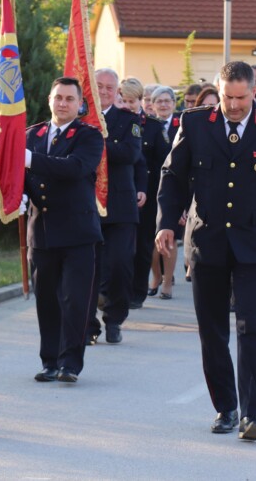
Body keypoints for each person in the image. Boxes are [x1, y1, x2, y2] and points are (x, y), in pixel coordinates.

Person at [156, 61, 256, 441]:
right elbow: (173, 176)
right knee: (211, 330)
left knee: (251, 326)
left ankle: (251, 415)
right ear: (218, 91)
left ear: (254, 92)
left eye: (242, 97)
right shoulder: (193, 124)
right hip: (207, 240)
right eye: (228, 97)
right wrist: (164, 222)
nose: (234, 105)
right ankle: (226, 407)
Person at [25, 77, 104, 382]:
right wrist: (17, 193)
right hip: (42, 230)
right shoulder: (32, 134)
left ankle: (70, 363)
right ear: (49, 100)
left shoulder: (90, 136)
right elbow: (18, 174)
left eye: (70, 99)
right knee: (46, 299)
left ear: (80, 104)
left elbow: (75, 169)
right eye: (58, 97)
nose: (63, 103)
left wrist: (32, 161)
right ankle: (49, 360)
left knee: (74, 299)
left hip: (77, 232)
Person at [88, 68, 143, 344]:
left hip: (119, 205)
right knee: (86, 267)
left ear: (117, 91)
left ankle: (114, 319)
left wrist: (94, 143)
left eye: (110, 88)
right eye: (99, 86)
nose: (104, 92)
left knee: (120, 265)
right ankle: (87, 324)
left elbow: (130, 154)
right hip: (86, 204)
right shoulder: (79, 118)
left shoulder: (128, 120)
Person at [120, 78, 169, 307]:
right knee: (120, 245)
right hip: (119, 191)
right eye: (124, 100)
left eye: (132, 100)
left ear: (141, 101)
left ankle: (137, 291)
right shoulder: (114, 123)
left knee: (142, 245)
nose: (127, 105)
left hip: (146, 194)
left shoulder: (154, 126)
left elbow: (164, 163)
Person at [148, 85, 180, 298]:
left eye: (167, 100)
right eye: (159, 101)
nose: (164, 104)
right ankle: (156, 276)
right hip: (151, 187)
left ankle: (168, 281)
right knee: (150, 237)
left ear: (174, 104)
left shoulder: (181, 124)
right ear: (152, 105)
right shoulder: (148, 126)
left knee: (169, 235)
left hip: (174, 187)